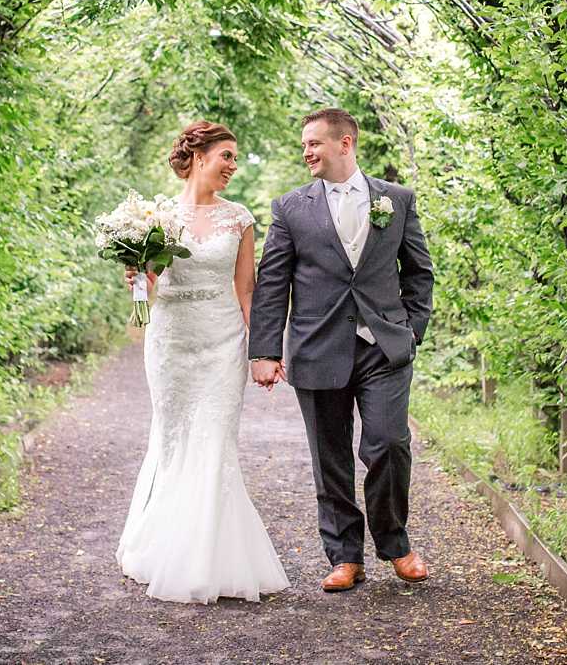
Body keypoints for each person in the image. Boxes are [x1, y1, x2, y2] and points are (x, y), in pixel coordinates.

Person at [248, 107, 435, 592]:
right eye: (304, 144)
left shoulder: (396, 200)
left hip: (383, 349)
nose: (306, 152)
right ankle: (344, 556)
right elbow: (273, 283)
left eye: (314, 143)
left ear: (345, 143)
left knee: (388, 443)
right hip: (317, 346)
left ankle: (395, 544)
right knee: (329, 457)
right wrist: (265, 350)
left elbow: (418, 271)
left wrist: (411, 330)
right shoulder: (290, 208)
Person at [115, 121, 289, 603]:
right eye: (227, 156)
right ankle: (164, 547)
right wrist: (136, 277)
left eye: (235, 158)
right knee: (173, 440)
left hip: (222, 342)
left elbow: (248, 290)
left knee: (214, 441)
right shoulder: (155, 218)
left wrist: (265, 351)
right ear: (197, 157)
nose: (233, 166)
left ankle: (208, 558)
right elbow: (147, 294)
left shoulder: (240, 219)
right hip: (170, 341)